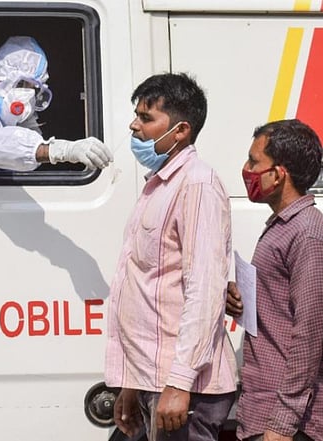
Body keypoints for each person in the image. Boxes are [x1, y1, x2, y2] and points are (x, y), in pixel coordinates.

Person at [104, 73, 237, 441]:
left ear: (180, 131)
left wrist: (179, 383)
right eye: (137, 116)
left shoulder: (197, 185)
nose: (134, 126)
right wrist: (131, 385)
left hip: (182, 388)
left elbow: (205, 292)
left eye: (146, 119)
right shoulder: (159, 184)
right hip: (152, 379)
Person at [227, 119, 323, 441]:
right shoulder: (283, 227)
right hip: (262, 413)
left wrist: (282, 423)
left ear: (278, 174)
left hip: (289, 426)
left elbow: (309, 335)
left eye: (254, 161)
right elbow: (280, 314)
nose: (245, 169)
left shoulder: (308, 235)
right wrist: (241, 302)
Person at [0, 36, 112, 172]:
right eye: (22, 85)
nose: (28, 95)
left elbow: (21, 159)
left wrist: (28, 123)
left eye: (34, 89)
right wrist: (60, 150)